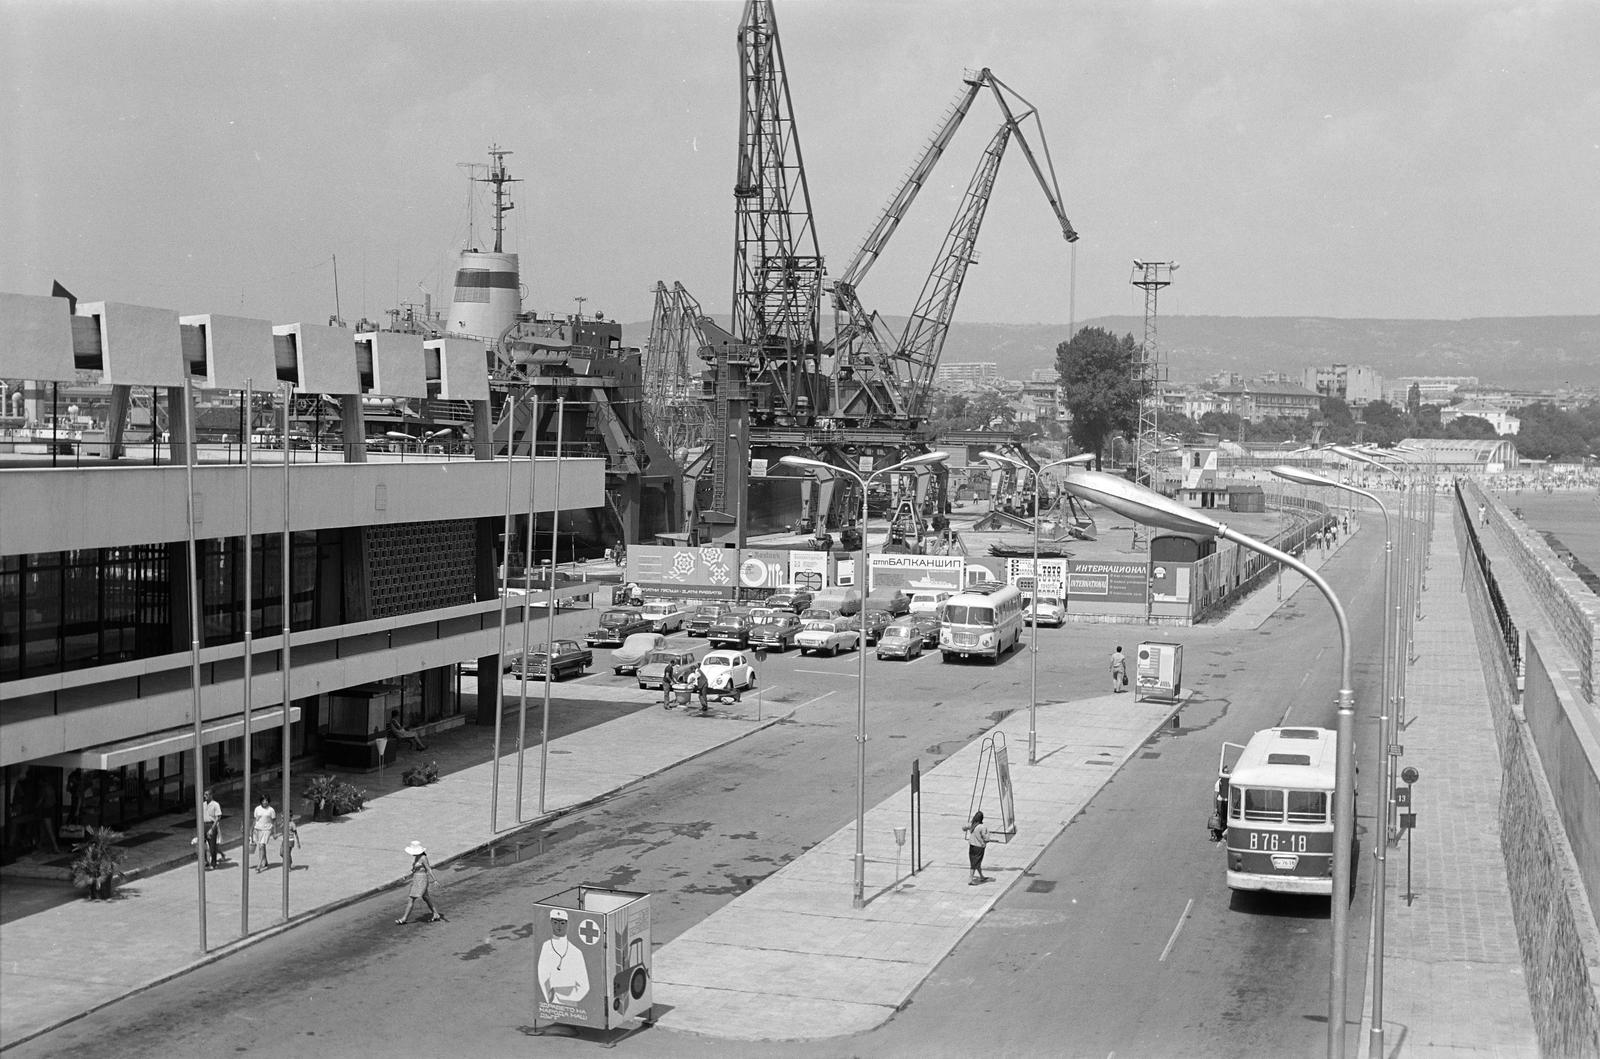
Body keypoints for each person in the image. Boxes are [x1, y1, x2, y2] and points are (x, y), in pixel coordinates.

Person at [537, 909, 591, 1005]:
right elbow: (542, 975)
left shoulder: (576, 952)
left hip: (571, 1004)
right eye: (555, 922)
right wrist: (550, 997)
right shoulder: (546, 946)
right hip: (551, 1002)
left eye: (562, 923)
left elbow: (584, 986)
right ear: (551, 923)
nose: (558, 926)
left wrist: (561, 995)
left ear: (567, 924)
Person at [395, 840, 443, 924]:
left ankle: (404, 919)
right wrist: (406, 876)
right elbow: (414, 870)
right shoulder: (416, 857)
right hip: (416, 879)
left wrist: (435, 880)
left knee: (411, 898)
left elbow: (429, 869)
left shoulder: (423, 858)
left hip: (422, 880)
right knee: (426, 897)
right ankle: (436, 914)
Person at [962, 810, 992, 885]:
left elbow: (964, 828)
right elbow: (985, 837)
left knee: (976, 861)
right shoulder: (982, 827)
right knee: (975, 863)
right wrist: (987, 838)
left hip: (972, 846)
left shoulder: (972, 825)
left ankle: (981, 876)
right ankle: (970, 879)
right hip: (979, 847)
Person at [252, 793, 276, 873]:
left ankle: (259, 864)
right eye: (263, 801)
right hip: (258, 829)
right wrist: (251, 830)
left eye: (266, 800)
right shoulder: (257, 809)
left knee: (261, 845)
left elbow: (274, 821)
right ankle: (265, 861)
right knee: (262, 845)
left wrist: (274, 832)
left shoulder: (271, 810)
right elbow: (255, 820)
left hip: (267, 829)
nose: (265, 802)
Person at [201, 789, 223, 868]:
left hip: (211, 824)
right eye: (204, 795)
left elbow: (218, 817)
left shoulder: (215, 804)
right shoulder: (203, 804)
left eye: (206, 795)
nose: (205, 796)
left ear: (211, 795)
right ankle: (205, 861)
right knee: (202, 845)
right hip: (204, 824)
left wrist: (212, 829)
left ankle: (213, 863)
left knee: (212, 846)